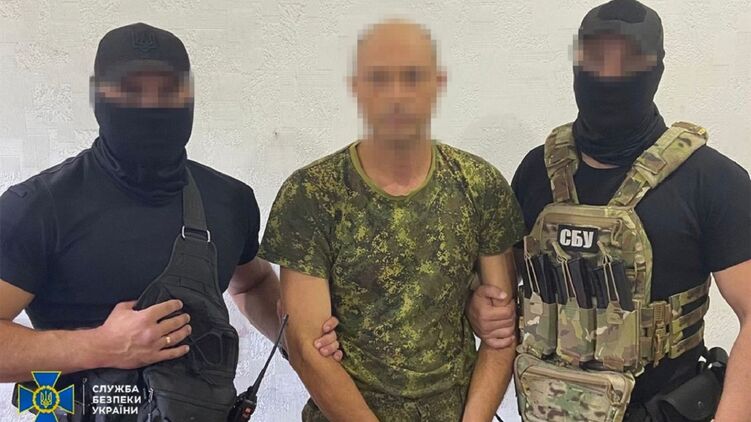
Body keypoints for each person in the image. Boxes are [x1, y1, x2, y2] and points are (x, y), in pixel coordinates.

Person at [0, 22, 340, 420]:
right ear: (99, 96)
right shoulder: (38, 207)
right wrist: (100, 346)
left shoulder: (229, 201)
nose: (151, 105)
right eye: (131, 89)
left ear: (189, 95)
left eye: (167, 89)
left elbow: (252, 282)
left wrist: (296, 337)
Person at [468, 1, 751, 421]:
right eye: (596, 58)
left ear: (656, 69)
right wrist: (479, 307)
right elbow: (501, 290)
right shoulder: (537, 171)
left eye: (629, 61)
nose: (609, 75)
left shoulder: (710, 179)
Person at [258, 19, 526, 422]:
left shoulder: (479, 185)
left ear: (437, 84)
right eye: (379, 79)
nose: (397, 96)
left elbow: (500, 332)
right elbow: (307, 348)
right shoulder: (312, 194)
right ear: (357, 88)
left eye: (412, 78)